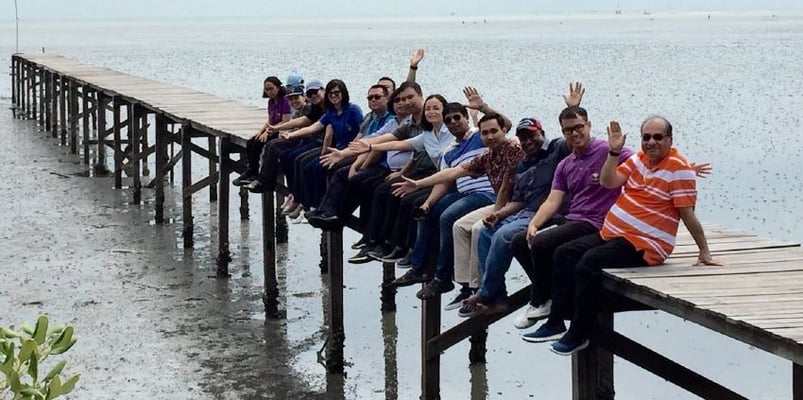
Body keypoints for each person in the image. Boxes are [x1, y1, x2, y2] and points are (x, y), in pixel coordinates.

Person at [530, 116, 723, 356]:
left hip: (646, 244)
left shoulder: (679, 169)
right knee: (564, 253)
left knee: (588, 263)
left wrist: (704, 250)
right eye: (646, 137)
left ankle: (579, 334)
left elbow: (687, 214)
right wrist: (613, 152)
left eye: (658, 137)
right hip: (615, 233)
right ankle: (555, 322)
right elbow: (608, 181)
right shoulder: (639, 159)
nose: (651, 142)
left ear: (669, 139)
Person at [459, 117, 572, 317]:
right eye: (523, 137)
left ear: (542, 133)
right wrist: (498, 214)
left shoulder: (556, 149)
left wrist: (573, 108)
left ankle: (485, 294)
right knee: (485, 231)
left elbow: (572, 138)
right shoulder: (522, 164)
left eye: (532, 135)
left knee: (503, 236)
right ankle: (498, 297)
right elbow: (519, 200)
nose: (528, 141)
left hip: (551, 213)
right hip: (526, 211)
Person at [389, 101, 494, 301]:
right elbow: (444, 181)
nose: (454, 123)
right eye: (449, 120)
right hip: (464, 194)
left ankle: (443, 276)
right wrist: (427, 203)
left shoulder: (479, 137)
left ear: (465, 117)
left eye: (457, 118)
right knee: (428, 212)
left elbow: (502, 124)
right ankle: (420, 267)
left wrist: (482, 108)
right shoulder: (450, 151)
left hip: (485, 194)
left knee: (447, 218)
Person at [243, 80, 326, 195]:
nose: (293, 101)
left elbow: (310, 128)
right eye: (291, 99)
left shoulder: (312, 108)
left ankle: (268, 184)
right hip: (304, 138)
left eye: (296, 97)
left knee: (289, 155)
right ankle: (261, 178)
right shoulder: (313, 110)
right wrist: (276, 129)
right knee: (262, 145)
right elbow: (299, 122)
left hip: (313, 142)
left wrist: (288, 133)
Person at [233, 76, 292, 186]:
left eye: (271, 88)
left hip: (281, 131)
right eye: (266, 89)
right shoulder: (271, 102)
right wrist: (260, 132)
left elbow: (286, 122)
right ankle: (251, 170)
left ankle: (258, 174)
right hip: (272, 129)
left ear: (278, 87)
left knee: (258, 144)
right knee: (251, 142)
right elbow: (270, 120)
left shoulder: (285, 101)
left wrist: (268, 132)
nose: (269, 91)